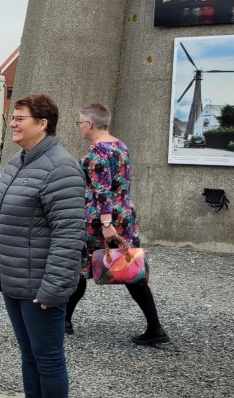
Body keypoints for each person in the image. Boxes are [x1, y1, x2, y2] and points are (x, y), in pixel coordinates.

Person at [0, 94, 86, 398]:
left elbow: (69, 235)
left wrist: (52, 289)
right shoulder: (19, 161)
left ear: (42, 124)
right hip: (15, 281)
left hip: (40, 288)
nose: (12, 124)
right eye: (12, 118)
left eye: (20, 118)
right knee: (29, 356)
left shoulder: (61, 168)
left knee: (48, 360)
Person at [67, 104, 170, 345]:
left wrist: (105, 224)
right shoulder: (119, 145)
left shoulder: (97, 152)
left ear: (90, 124)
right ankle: (155, 327)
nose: (79, 127)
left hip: (101, 219)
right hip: (125, 214)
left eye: (80, 122)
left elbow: (102, 191)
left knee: (80, 267)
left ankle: (64, 321)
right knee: (130, 266)